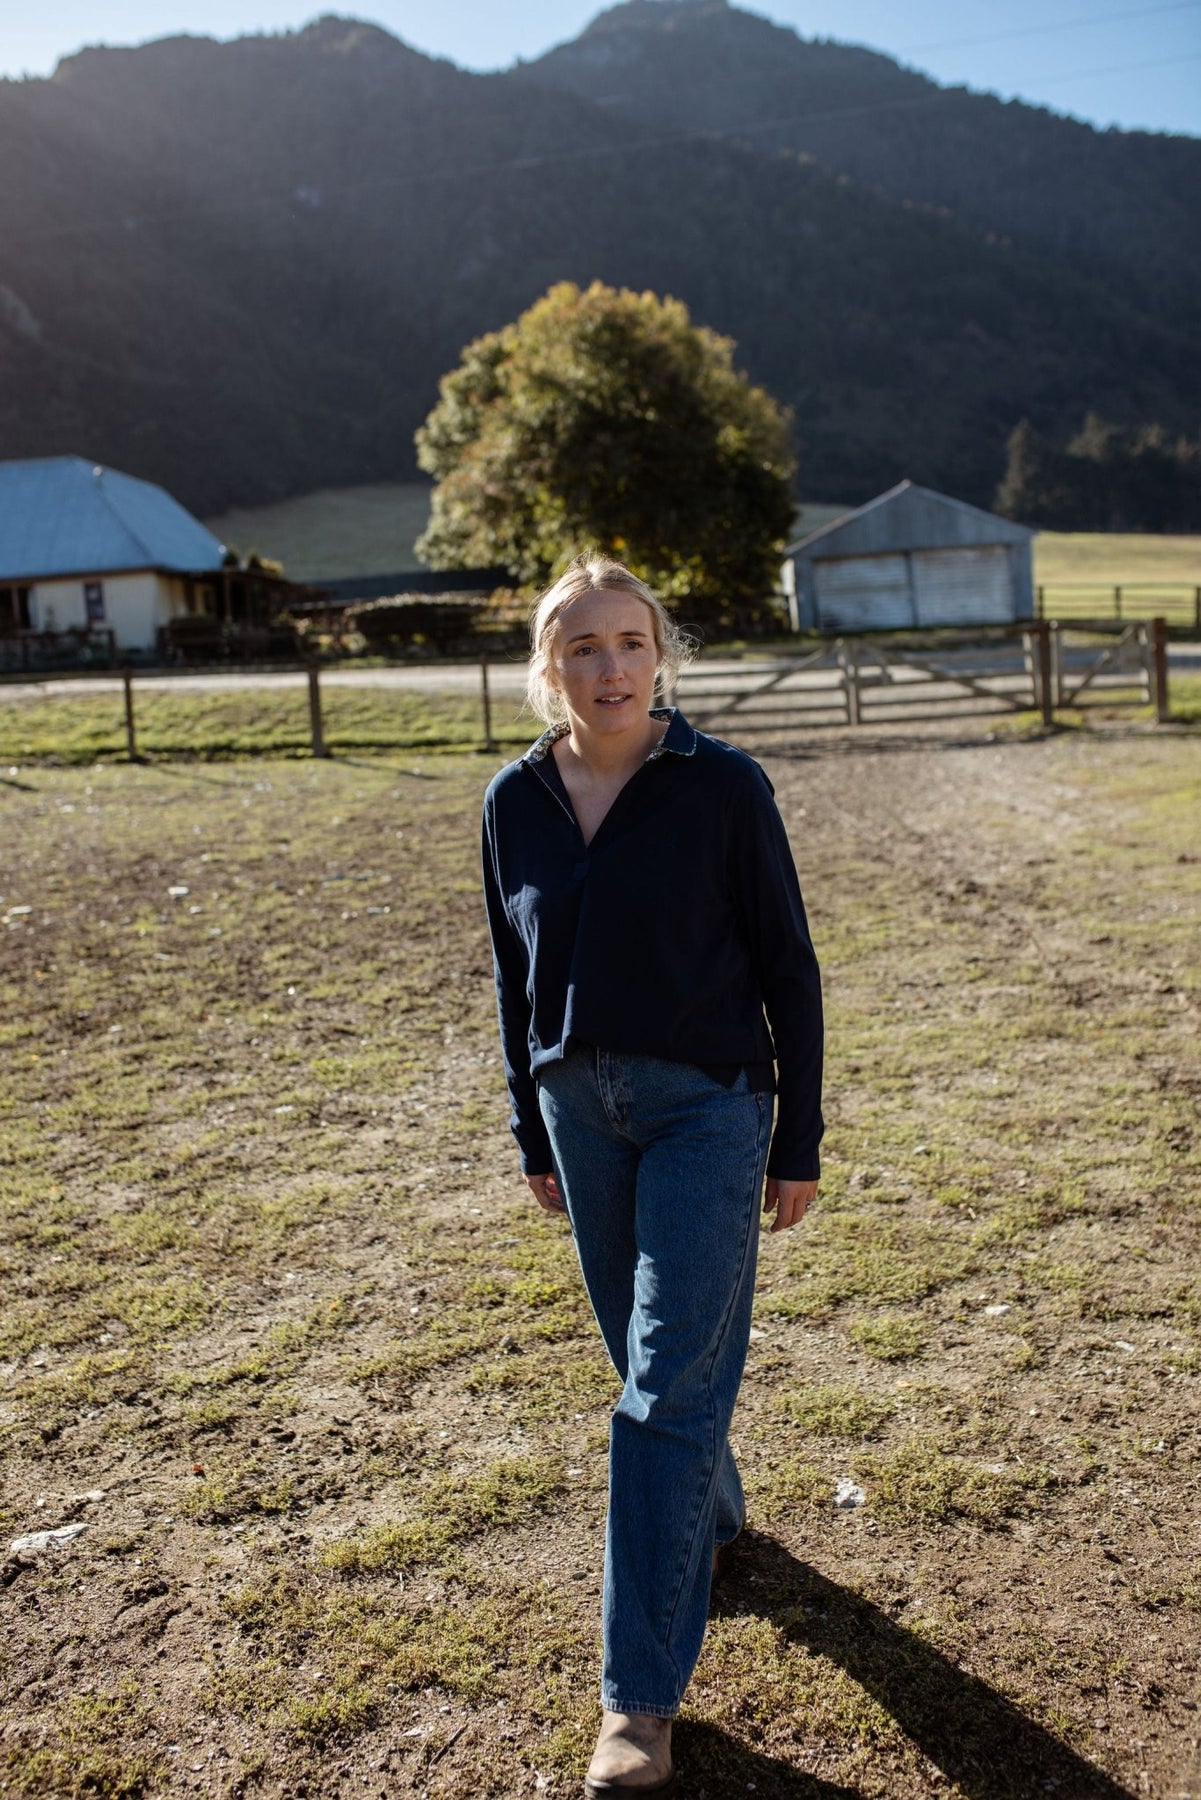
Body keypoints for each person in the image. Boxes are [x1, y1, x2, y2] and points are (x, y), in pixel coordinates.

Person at [481, 554, 823, 1797]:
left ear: (660, 655)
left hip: (709, 1107)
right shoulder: (512, 800)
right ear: (548, 668)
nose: (610, 667)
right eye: (582, 646)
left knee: (659, 1391)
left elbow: (787, 964)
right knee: (648, 1365)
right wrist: (531, 1131)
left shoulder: (723, 786)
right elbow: (514, 978)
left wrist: (797, 1138)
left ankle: (636, 1705)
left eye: (629, 642)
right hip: (580, 1113)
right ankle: (713, 1519)